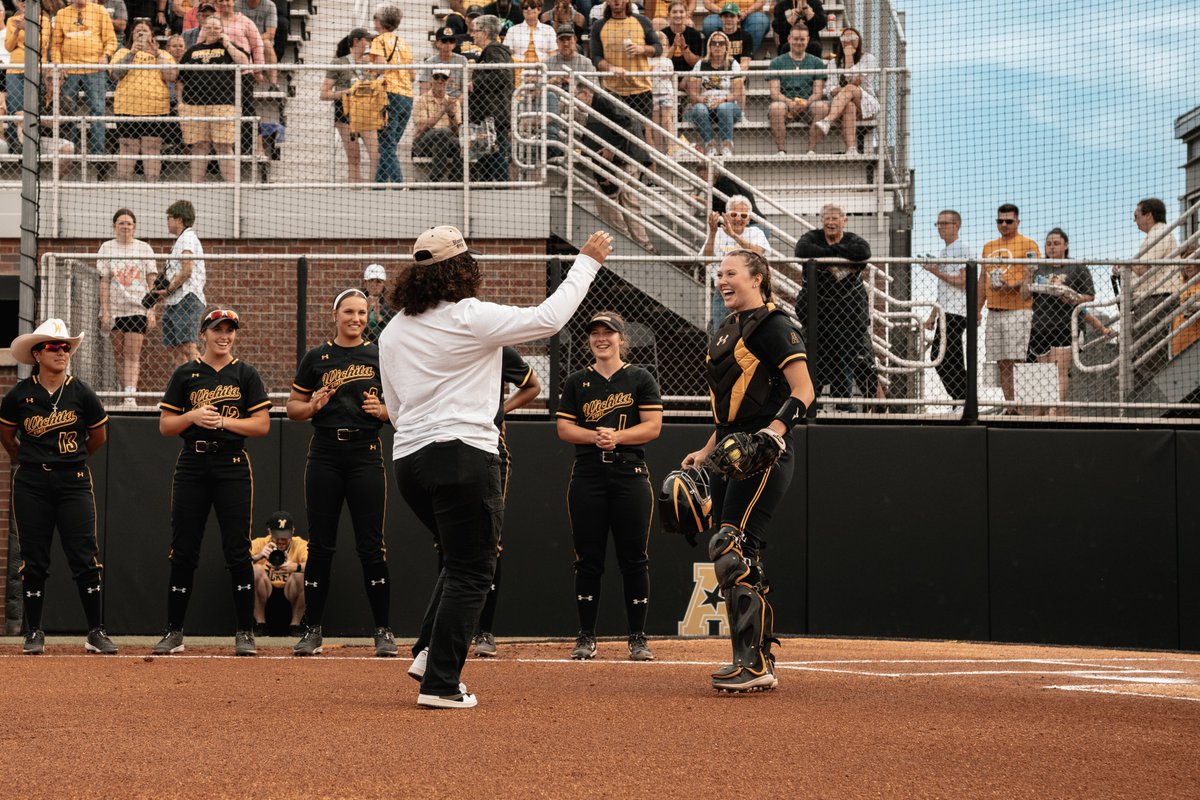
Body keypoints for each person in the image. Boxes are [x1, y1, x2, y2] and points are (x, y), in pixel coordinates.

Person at [381, 225, 613, 709]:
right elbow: (549, 318)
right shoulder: (469, 316)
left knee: (459, 558)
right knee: (474, 568)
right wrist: (586, 261)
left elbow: (396, 408)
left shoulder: (395, 327)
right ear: (460, 269)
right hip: (463, 453)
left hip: (409, 461)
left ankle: (428, 653)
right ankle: (441, 685)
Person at [681, 250, 815, 692]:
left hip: (763, 451)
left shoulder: (774, 324)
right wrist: (705, 450)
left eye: (731, 273)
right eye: (719, 274)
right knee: (735, 551)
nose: (722, 280)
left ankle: (754, 663)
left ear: (757, 278)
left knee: (731, 545)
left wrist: (773, 433)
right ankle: (754, 660)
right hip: (730, 450)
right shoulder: (725, 329)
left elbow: (804, 391)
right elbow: (729, 412)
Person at [153, 308, 271, 657]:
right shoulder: (186, 373)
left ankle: (244, 632)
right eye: (217, 329)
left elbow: (261, 425)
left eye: (230, 330)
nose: (224, 335)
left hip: (232, 463)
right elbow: (165, 426)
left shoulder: (245, 374)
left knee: (237, 550)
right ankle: (174, 632)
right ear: (203, 332)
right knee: (184, 550)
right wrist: (191, 415)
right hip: (193, 462)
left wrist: (222, 423)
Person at [288, 289, 397, 658]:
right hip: (325, 454)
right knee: (321, 545)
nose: (356, 318)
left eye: (362, 312)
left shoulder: (381, 355)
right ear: (334, 314)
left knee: (371, 545)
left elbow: (403, 408)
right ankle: (312, 630)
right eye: (349, 311)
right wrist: (313, 404)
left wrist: (383, 411)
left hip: (366, 454)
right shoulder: (317, 357)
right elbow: (292, 408)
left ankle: (383, 631)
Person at [1, 320, 114, 656]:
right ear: (37, 353)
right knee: (34, 559)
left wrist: (72, 460)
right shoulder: (20, 394)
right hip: (32, 482)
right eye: (54, 346)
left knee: (84, 557)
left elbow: (98, 437)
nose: (62, 351)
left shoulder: (81, 392)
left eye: (65, 347)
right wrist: (28, 459)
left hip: (73, 481)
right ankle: (33, 631)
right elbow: (7, 436)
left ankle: (95, 631)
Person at [556, 312, 663, 661]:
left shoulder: (640, 377)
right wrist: (595, 437)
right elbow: (564, 429)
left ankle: (637, 637)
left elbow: (652, 427)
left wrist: (616, 437)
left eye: (608, 333)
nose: (601, 339)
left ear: (622, 338)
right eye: (595, 334)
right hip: (587, 474)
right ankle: (586, 636)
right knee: (588, 559)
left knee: (634, 558)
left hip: (629, 473)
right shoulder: (576, 381)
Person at [471, 345, 541, 657]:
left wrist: (500, 412)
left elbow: (532, 386)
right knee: (447, 542)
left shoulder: (496, 349)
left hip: (490, 448)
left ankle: (484, 631)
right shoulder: (442, 344)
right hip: (448, 445)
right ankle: (443, 630)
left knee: (489, 541)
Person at [794, 203, 873, 407]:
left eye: (835, 218)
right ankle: (810, 405)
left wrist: (828, 256)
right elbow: (801, 249)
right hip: (817, 317)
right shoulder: (812, 237)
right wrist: (840, 258)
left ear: (844, 220)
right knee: (814, 362)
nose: (830, 222)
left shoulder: (854, 239)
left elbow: (863, 252)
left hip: (849, 318)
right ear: (822, 221)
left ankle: (844, 406)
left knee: (847, 362)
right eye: (827, 218)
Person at [975, 203, 1039, 410]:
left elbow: (1032, 275)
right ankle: (1011, 407)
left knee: (1018, 361)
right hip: (994, 310)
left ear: (1017, 222)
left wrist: (1012, 284)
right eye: (1000, 221)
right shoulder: (989, 246)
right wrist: (977, 309)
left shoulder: (1028, 244)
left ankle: (1023, 407)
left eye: (1008, 221)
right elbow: (982, 278)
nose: (1004, 224)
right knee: (1002, 362)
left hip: (1018, 310)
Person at [1026, 228, 1095, 416]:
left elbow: (1089, 296)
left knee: (1060, 370)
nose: (1052, 247)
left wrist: (1072, 297)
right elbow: (1025, 295)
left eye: (1056, 243)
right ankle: (1045, 409)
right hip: (1040, 325)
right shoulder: (1038, 267)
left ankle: (1054, 409)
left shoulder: (1077, 267)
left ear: (1066, 245)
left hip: (1066, 325)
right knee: (1042, 372)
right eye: (1048, 243)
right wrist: (1027, 274)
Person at [1116, 198, 1181, 391]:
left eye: (1136, 215)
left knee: (1150, 349)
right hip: (1152, 297)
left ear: (1148, 215)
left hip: (1157, 297)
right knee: (1147, 348)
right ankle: (1150, 388)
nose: (1134, 220)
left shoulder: (1159, 233)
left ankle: (1153, 390)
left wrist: (1122, 268)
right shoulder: (1156, 234)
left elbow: (1143, 267)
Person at [178, 15, 251, 183]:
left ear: (222, 30)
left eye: (216, 28)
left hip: (223, 104)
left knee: (224, 146)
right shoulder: (192, 51)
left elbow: (244, 62)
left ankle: (232, 185)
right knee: (199, 146)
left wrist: (227, 43)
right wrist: (181, 102)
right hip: (194, 104)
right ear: (203, 29)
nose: (212, 31)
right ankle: (196, 185)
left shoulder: (230, 48)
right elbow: (180, 79)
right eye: (208, 27)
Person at [98, 208, 158, 406]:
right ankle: (125, 392)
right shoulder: (107, 248)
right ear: (114, 226)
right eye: (121, 223)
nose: (125, 226)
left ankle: (130, 397)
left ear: (134, 227)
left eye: (129, 223)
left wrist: (152, 310)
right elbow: (104, 281)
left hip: (137, 307)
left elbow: (152, 281)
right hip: (115, 309)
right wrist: (105, 311)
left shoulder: (144, 248)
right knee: (119, 354)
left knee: (132, 354)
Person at [589, 0, 661, 165]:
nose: (616, 1)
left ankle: (649, 181)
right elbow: (595, 58)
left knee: (643, 137)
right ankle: (620, 179)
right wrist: (610, 68)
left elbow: (658, 48)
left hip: (641, 90)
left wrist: (642, 49)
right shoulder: (599, 26)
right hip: (613, 91)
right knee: (617, 135)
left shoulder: (642, 21)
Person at [112, 18, 178, 181]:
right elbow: (115, 74)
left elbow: (171, 76)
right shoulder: (122, 52)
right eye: (137, 32)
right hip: (127, 108)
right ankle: (123, 187)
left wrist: (156, 54)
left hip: (156, 108)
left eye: (145, 31)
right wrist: (132, 53)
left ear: (151, 35)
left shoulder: (164, 54)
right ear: (132, 35)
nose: (141, 34)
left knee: (152, 147)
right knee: (128, 147)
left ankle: (152, 184)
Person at [51, 0, 118, 161]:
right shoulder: (62, 14)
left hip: (94, 69)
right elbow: (56, 45)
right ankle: (68, 152)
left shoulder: (100, 11)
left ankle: (97, 155)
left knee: (97, 109)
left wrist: (105, 55)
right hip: (69, 70)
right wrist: (58, 65)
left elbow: (111, 39)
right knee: (67, 111)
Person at [921, 210, 973, 404]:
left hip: (957, 311)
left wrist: (935, 271)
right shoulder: (944, 251)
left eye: (944, 223)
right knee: (952, 357)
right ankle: (962, 400)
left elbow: (963, 281)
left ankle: (962, 399)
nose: (940, 227)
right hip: (945, 310)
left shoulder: (963, 248)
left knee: (941, 355)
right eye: (938, 224)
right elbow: (943, 290)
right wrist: (932, 315)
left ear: (956, 225)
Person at [320, 28, 379, 183]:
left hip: (367, 112)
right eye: (366, 40)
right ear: (356, 41)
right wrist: (346, 92)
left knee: (376, 155)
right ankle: (355, 195)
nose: (369, 43)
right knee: (354, 158)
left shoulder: (372, 63)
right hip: (345, 114)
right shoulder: (339, 63)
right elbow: (324, 94)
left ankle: (373, 193)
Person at [701, 193, 767, 330]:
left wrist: (734, 235)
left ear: (748, 219)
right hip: (724, 291)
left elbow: (758, 253)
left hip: (750, 292)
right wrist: (712, 233)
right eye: (733, 214)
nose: (738, 218)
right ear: (726, 216)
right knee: (722, 332)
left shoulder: (756, 233)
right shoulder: (718, 234)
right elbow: (706, 260)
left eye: (743, 216)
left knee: (751, 331)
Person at [155, 199, 206, 365]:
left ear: (179, 219)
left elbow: (187, 270)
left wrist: (168, 290)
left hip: (186, 299)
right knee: (175, 347)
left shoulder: (187, 238)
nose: (167, 222)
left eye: (169, 218)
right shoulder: (180, 240)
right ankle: (185, 386)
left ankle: (206, 382)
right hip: (174, 301)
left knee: (188, 346)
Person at [811, 26, 877, 155]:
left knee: (851, 88)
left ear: (859, 40)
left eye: (853, 38)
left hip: (866, 104)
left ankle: (827, 120)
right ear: (841, 42)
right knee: (849, 105)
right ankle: (851, 149)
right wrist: (843, 90)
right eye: (845, 38)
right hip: (842, 107)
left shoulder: (868, 58)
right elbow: (831, 90)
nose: (849, 41)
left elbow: (856, 81)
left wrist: (849, 59)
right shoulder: (833, 63)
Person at [466, 15, 513, 182]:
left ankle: (503, 193)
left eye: (475, 31)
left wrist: (475, 83)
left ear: (485, 32)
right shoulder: (491, 51)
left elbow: (503, 75)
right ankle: (488, 192)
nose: (472, 35)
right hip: (489, 115)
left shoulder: (494, 51)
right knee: (486, 160)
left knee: (496, 158)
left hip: (494, 117)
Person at [370, 5, 414, 184]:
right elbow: (412, 75)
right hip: (407, 96)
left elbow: (381, 68)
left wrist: (369, 72)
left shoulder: (378, 40)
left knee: (386, 145)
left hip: (389, 94)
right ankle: (378, 187)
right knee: (389, 145)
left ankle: (399, 185)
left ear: (380, 21)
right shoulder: (403, 42)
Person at [766, 26, 826, 156]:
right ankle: (781, 150)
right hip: (785, 105)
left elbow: (818, 92)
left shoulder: (817, 63)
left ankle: (811, 150)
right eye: (796, 39)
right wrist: (790, 102)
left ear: (808, 40)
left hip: (808, 105)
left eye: (802, 39)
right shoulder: (776, 62)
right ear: (789, 39)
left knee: (821, 107)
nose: (799, 42)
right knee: (776, 108)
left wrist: (806, 102)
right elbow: (774, 93)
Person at [685, 30, 744, 157]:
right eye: (714, 43)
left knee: (724, 108)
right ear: (709, 46)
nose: (717, 46)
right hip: (706, 105)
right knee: (699, 109)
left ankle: (726, 145)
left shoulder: (733, 64)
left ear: (727, 46)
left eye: (721, 43)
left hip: (728, 106)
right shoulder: (701, 64)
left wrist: (723, 100)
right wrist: (703, 100)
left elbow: (737, 92)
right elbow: (692, 91)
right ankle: (710, 145)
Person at [5, 0, 52, 154]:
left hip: (35, 69)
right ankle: (18, 149)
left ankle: (32, 149)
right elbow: (9, 47)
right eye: (20, 1)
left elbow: (42, 45)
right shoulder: (12, 20)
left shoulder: (43, 20)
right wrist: (17, 30)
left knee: (32, 110)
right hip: (15, 69)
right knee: (15, 110)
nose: (23, 3)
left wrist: (28, 28)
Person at [250, 511, 308, 635]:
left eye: (285, 536)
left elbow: (314, 566)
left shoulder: (300, 544)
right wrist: (258, 556)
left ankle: (295, 625)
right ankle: (260, 624)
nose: (281, 540)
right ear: (270, 532)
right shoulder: (259, 543)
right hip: (264, 593)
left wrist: (295, 566)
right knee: (256, 570)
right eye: (277, 536)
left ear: (292, 531)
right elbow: (238, 564)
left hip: (291, 594)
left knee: (301, 574)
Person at [412, 68, 464, 182]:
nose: (440, 81)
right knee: (443, 133)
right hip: (423, 144)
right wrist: (443, 111)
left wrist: (451, 115)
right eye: (436, 77)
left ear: (448, 81)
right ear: (431, 80)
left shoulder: (453, 102)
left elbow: (457, 132)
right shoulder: (422, 100)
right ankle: (437, 174)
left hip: (445, 144)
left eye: (444, 78)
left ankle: (455, 179)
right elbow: (422, 128)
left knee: (458, 143)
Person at [646, 30, 675, 156]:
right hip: (653, 93)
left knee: (666, 120)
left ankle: (670, 146)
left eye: (664, 45)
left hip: (666, 93)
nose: (661, 48)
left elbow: (668, 75)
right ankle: (658, 149)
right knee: (656, 122)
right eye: (658, 45)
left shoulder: (667, 61)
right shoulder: (647, 60)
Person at [420, 26, 469, 98]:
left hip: (455, 100)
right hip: (436, 101)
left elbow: (465, 89)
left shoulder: (462, 60)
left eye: (451, 41)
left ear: (455, 44)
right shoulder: (430, 62)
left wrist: (456, 103)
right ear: (437, 43)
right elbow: (424, 90)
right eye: (444, 41)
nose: (448, 44)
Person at [707, 3, 753, 69]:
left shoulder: (746, 36)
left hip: (737, 73)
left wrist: (734, 76)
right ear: (721, 18)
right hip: (717, 73)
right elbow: (708, 60)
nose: (728, 19)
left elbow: (745, 63)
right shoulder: (713, 36)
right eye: (725, 16)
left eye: (732, 16)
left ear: (738, 18)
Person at [663, 1, 701, 72]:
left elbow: (695, 64)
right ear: (668, 15)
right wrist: (674, 46)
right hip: (667, 75)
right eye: (674, 12)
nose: (678, 15)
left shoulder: (695, 34)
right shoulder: (663, 34)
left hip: (688, 74)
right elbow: (662, 63)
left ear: (686, 15)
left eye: (681, 12)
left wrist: (684, 47)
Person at [361, 263, 394, 343]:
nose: (374, 284)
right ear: (365, 283)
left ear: (384, 284)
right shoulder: (358, 301)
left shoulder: (390, 306)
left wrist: (378, 318)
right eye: (371, 281)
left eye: (378, 282)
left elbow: (392, 333)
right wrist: (367, 311)